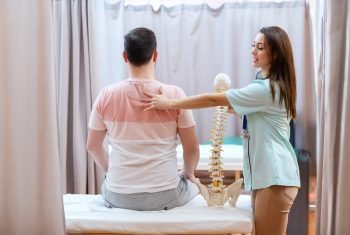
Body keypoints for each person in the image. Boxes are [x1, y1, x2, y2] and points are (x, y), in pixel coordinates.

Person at [144, 26, 300, 235]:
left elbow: (212, 99)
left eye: (260, 47)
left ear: (276, 53)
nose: (253, 51)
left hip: (276, 178)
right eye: (253, 45)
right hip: (268, 179)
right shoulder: (267, 86)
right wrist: (224, 105)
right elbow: (230, 106)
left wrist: (170, 103)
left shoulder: (266, 89)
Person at [86, 27, 200, 211]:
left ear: (124, 56)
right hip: (165, 195)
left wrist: (111, 170)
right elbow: (192, 147)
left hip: (117, 195)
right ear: (155, 56)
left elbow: (92, 145)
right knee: (194, 186)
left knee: (108, 185)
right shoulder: (175, 95)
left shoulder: (105, 95)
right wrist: (188, 175)